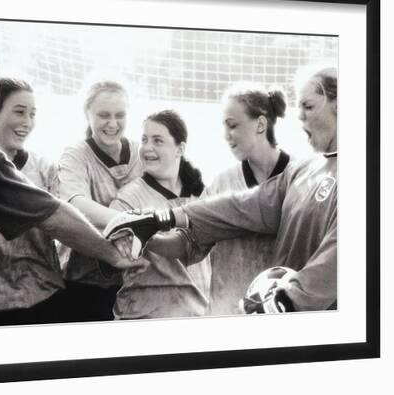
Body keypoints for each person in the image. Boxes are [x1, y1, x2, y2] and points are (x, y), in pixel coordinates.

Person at [105, 65, 338, 313]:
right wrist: (162, 219)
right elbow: (241, 207)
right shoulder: (303, 171)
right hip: (244, 319)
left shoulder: (366, 178)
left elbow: (342, 257)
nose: (299, 115)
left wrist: (287, 301)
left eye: (309, 106)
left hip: (303, 325)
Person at [0, 44, 148, 326]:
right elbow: (62, 212)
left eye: (32, 114)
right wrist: (127, 228)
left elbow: (60, 216)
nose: (27, 122)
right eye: (19, 112)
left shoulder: (43, 167)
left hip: (45, 294)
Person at [109, 110, 211, 319]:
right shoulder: (128, 200)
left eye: (158, 141)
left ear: (179, 148)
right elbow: (114, 253)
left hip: (198, 315)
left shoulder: (203, 195)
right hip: (145, 318)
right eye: (144, 140)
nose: (147, 148)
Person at [57, 80, 143, 321]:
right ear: (87, 114)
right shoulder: (75, 154)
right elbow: (75, 203)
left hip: (135, 278)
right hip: (83, 280)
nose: (113, 123)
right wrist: (131, 222)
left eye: (120, 115)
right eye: (103, 115)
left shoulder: (142, 153)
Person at [203, 84, 290, 315]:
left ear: (260, 124)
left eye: (232, 125)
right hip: (226, 317)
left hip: (283, 320)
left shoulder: (301, 180)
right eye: (224, 126)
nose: (225, 135)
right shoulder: (221, 184)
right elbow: (191, 243)